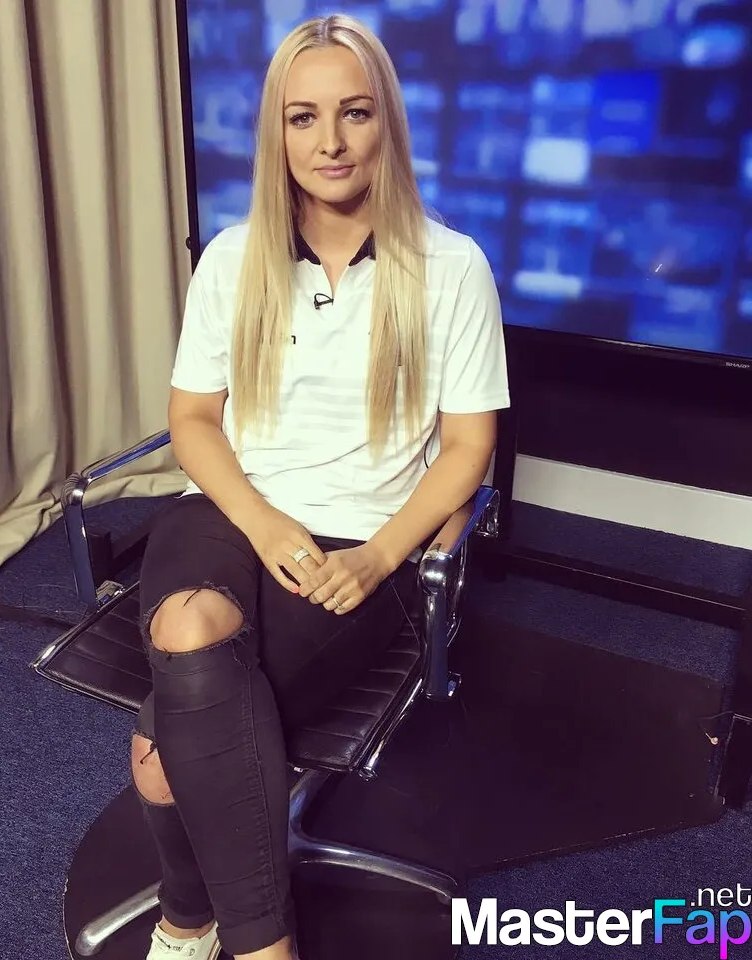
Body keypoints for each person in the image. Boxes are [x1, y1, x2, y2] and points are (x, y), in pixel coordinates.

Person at [131, 12, 509, 960]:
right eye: (303, 117)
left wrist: (380, 556)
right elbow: (192, 421)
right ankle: (265, 947)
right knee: (189, 624)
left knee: (160, 757)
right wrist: (262, 524)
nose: (329, 141)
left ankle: (187, 919)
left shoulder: (452, 267)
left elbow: (468, 448)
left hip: (362, 544)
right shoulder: (232, 257)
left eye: (354, 112)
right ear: (278, 132)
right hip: (231, 514)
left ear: (387, 123)